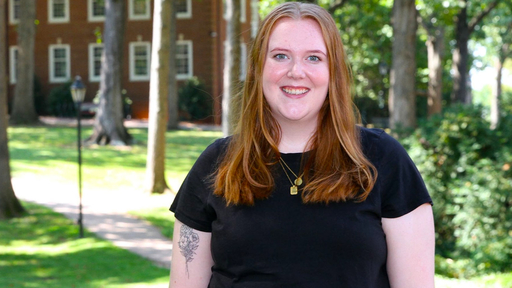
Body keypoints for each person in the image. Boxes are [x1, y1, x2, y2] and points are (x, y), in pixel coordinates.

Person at [169, 2, 435, 287]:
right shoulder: (217, 164)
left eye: (314, 58)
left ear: (334, 72)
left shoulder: (382, 159)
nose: (296, 71)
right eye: (280, 56)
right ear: (259, 68)